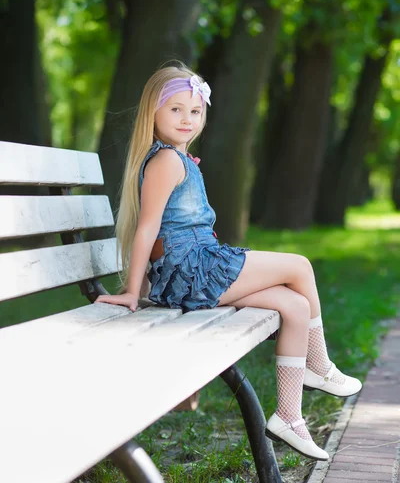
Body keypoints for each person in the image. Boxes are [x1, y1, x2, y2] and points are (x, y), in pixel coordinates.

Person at [96, 62, 362, 461]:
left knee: (296, 304)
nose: (187, 119)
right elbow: (147, 229)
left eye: (195, 111)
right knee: (300, 266)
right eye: (176, 110)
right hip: (193, 270)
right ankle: (318, 366)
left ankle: (288, 416)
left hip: (195, 266)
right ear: (152, 111)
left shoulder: (177, 160)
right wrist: (134, 291)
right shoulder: (166, 161)